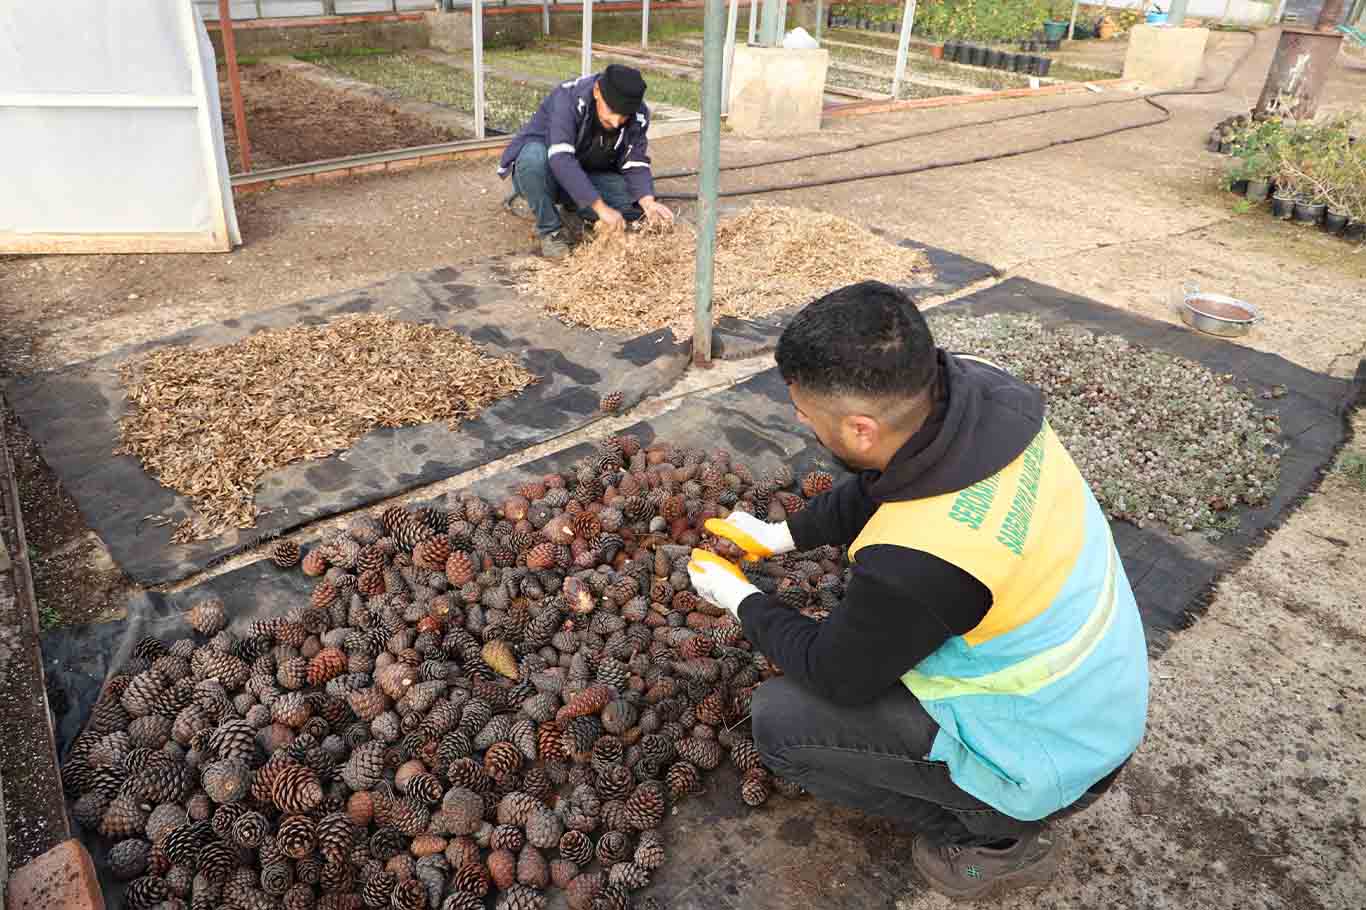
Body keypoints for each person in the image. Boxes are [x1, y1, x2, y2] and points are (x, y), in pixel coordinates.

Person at [686, 281, 1150, 900]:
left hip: (1051, 752)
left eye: (805, 414)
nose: (800, 420)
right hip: (1098, 689)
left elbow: (837, 674)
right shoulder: (980, 395)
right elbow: (886, 480)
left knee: (782, 722)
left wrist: (740, 599)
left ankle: (997, 835)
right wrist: (781, 535)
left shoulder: (922, 559)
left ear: (860, 428)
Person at [498, 64, 674, 260]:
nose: (616, 122)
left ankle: (573, 209)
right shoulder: (567, 98)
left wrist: (648, 202)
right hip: (545, 173)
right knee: (533, 159)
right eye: (612, 110)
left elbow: (635, 160)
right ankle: (551, 231)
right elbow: (561, 159)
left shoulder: (638, 114)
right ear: (597, 91)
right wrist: (601, 208)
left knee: (633, 202)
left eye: (623, 115)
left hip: (588, 174)